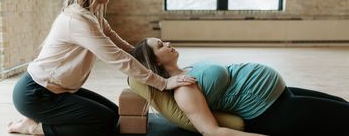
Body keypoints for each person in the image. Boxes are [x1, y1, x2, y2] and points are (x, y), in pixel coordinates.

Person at [7, 0, 196, 136]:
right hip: (36, 94)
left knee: (115, 114)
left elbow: (119, 43)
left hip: (57, 90)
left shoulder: (93, 16)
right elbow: (118, 57)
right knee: (104, 122)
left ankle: (35, 119)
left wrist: (149, 56)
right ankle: (36, 127)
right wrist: (162, 83)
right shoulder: (77, 20)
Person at [130, 37, 349, 136]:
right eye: (160, 45)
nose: (167, 43)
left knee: (341, 105)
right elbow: (211, 131)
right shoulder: (183, 90)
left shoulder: (185, 71)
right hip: (271, 111)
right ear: (156, 61)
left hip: (281, 95)